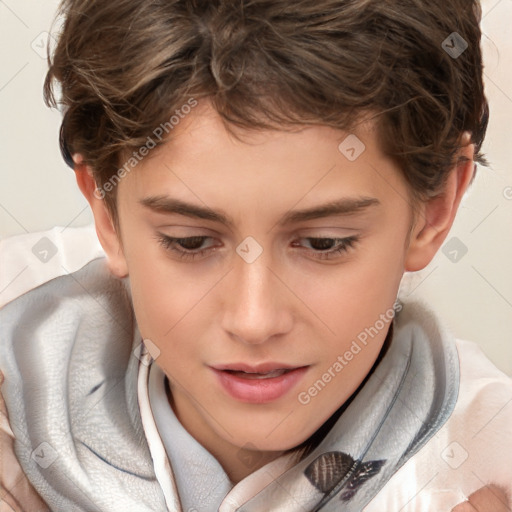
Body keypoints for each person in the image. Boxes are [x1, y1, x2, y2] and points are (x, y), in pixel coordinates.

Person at [1, 0, 511, 511]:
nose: (253, 321)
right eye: (190, 241)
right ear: (105, 213)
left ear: (434, 209)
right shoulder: (16, 357)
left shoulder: (484, 466)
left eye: (323, 243)